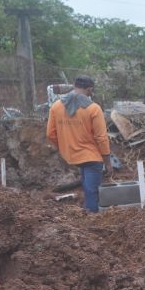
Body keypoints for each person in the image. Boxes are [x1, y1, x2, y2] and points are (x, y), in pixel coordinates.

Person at [45, 76, 110, 213]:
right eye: (92, 92)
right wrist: (108, 163)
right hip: (92, 157)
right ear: (90, 89)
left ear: (74, 86)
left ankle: (87, 213)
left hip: (72, 155)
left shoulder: (56, 106)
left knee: (87, 185)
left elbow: (50, 134)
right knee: (92, 191)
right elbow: (101, 138)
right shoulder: (94, 109)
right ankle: (92, 217)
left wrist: (64, 146)